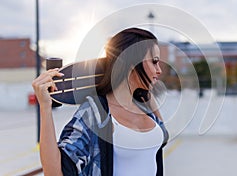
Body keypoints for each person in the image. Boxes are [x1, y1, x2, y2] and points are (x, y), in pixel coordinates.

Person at [32, 27, 169, 176]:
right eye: (154, 61)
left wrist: (147, 95)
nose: (159, 70)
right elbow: (56, 173)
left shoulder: (143, 106)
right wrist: (45, 108)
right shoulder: (96, 112)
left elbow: (163, 136)